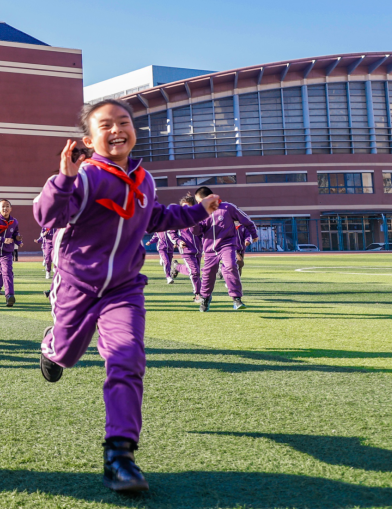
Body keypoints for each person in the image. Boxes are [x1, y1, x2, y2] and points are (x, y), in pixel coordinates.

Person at [35, 99, 219, 493]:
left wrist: (199, 211)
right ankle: (51, 346)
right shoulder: (85, 177)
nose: (117, 130)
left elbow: (156, 217)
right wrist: (63, 178)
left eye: (124, 122)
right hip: (77, 285)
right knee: (67, 354)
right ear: (89, 139)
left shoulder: (144, 179)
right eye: (106, 125)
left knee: (126, 357)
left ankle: (120, 455)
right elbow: (48, 217)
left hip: (124, 288)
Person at [192, 186, 257, 311]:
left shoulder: (227, 207)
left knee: (231, 265)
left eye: (199, 201)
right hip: (209, 249)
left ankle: (236, 299)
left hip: (227, 245)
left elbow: (246, 220)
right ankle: (205, 298)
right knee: (208, 273)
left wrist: (253, 234)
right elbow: (197, 232)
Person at [167, 195, 203, 301]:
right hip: (186, 249)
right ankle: (197, 295)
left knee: (195, 271)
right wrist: (178, 241)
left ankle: (177, 267)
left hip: (198, 250)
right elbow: (171, 232)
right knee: (195, 272)